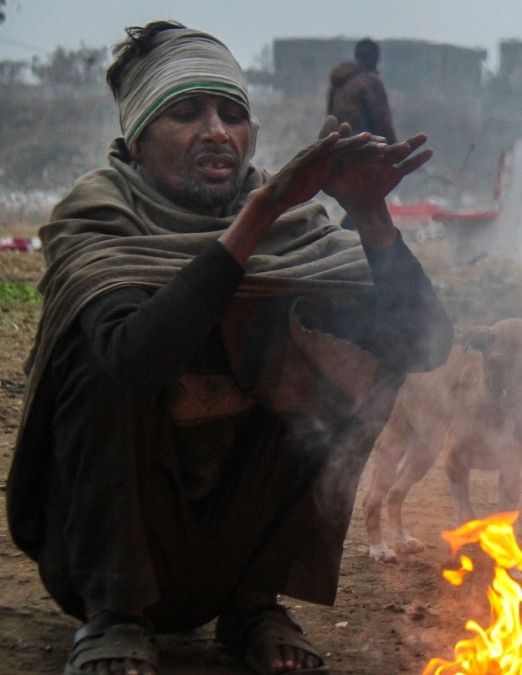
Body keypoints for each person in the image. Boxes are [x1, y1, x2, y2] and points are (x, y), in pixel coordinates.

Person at [5, 21, 454, 675]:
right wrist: (258, 215)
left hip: (226, 545)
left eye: (233, 114)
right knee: (96, 355)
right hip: (100, 552)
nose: (217, 131)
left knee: (359, 356)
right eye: (186, 112)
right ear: (137, 137)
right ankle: (117, 613)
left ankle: (254, 601)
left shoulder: (287, 225)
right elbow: (134, 359)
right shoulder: (99, 214)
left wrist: (371, 218)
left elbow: (421, 345)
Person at [326, 38, 400, 232]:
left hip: (342, 148)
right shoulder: (370, 81)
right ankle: (356, 238)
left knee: (358, 197)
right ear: (375, 58)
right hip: (366, 148)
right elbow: (381, 118)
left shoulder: (338, 83)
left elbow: (330, 118)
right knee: (368, 197)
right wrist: (396, 149)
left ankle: (352, 235)